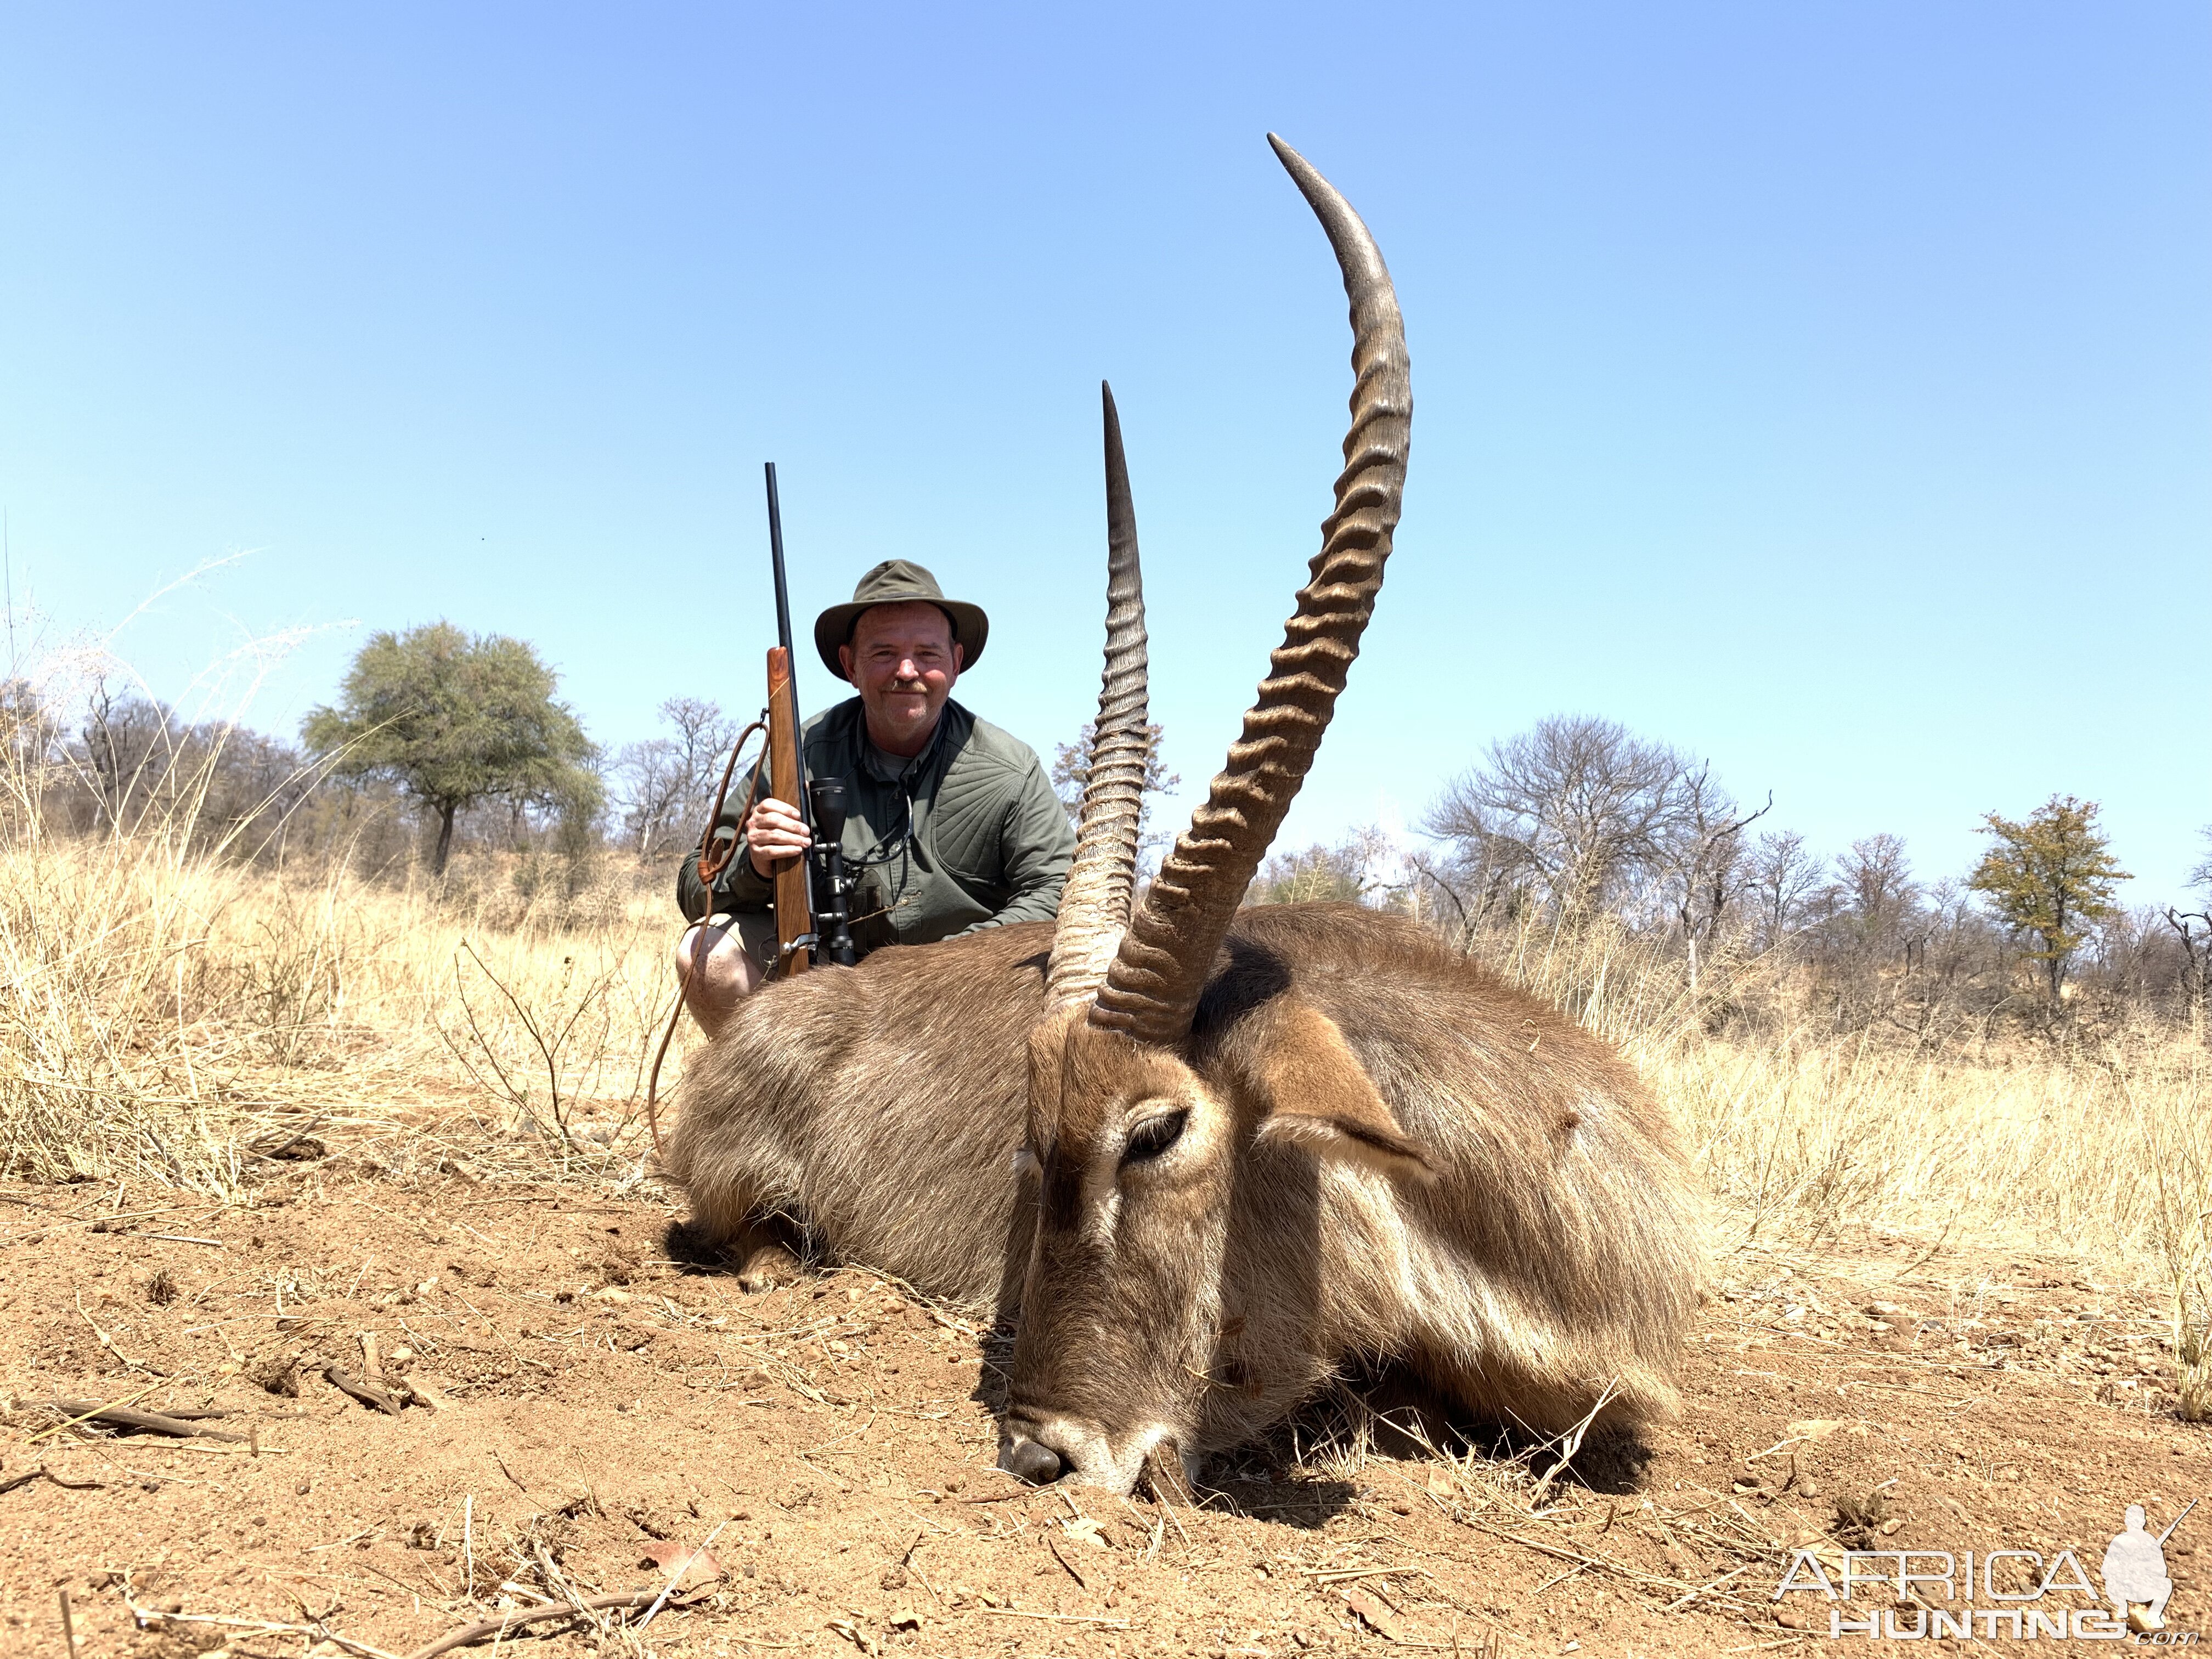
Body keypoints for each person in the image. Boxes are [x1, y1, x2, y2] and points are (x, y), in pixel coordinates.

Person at [674, 559, 1075, 1035]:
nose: (907, 671)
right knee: (704, 954)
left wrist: (938, 967)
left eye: (927, 653)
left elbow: (1059, 893)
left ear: (956, 662)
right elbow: (693, 885)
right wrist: (754, 864)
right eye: (884, 653)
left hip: (965, 995)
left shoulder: (1011, 769)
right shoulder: (796, 754)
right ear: (850, 665)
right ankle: (782, 1105)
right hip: (827, 987)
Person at [2102, 1504, 2175, 1632]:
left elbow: (2161, 1571)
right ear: (2126, 1521)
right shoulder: (2120, 1540)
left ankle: (2154, 1614)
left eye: (2138, 1520)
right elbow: (2107, 1570)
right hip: (2122, 1586)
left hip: (2141, 1585)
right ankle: (2122, 1609)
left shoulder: (2150, 1541)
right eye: (2132, 1520)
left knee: (2166, 1583)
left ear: (2143, 1521)